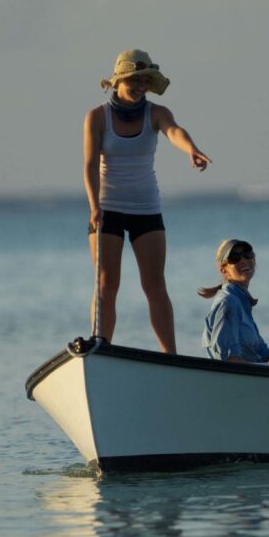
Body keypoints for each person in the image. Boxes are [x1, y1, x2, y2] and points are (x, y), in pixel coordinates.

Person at [84, 49, 211, 354]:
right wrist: (94, 206)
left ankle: (170, 355)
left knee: (154, 285)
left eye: (145, 81)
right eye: (134, 81)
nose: (140, 86)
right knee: (106, 284)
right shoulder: (97, 117)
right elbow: (89, 164)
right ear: (118, 81)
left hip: (146, 208)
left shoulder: (156, 112)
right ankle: (101, 348)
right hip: (107, 208)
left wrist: (191, 149)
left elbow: (174, 131)